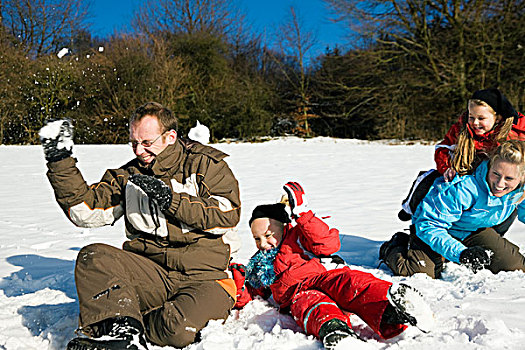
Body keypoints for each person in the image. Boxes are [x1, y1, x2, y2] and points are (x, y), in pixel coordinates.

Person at [39, 102, 241, 350]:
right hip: (151, 274)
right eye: (134, 143)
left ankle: (128, 321)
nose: (139, 151)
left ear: (170, 137)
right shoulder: (128, 177)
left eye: (146, 143)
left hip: (205, 277)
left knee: (176, 330)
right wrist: (60, 161)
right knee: (94, 256)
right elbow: (85, 212)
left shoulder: (205, 165)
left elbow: (227, 214)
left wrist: (171, 201)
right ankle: (122, 334)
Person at [230, 182, 433, 350]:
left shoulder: (299, 236)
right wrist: (238, 281)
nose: (263, 243)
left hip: (322, 276)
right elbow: (251, 292)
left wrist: (304, 214)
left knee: (351, 283)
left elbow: (328, 244)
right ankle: (335, 331)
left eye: (268, 235)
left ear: (284, 227)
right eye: (256, 238)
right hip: (297, 294)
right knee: (310, 305)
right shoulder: (259, 264)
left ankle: (394, 308)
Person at [381, 140, 525, 279]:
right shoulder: (465, 188)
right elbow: (428, 225)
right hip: (432, 228)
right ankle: (393, 247)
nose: (499, 184)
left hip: (471, 230)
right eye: (496, 174)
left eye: (509, 178)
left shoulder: (520, 192)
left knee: (516, 267)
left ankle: (449, 252)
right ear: (490, 165)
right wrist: (461, 253)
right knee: (419, 272)